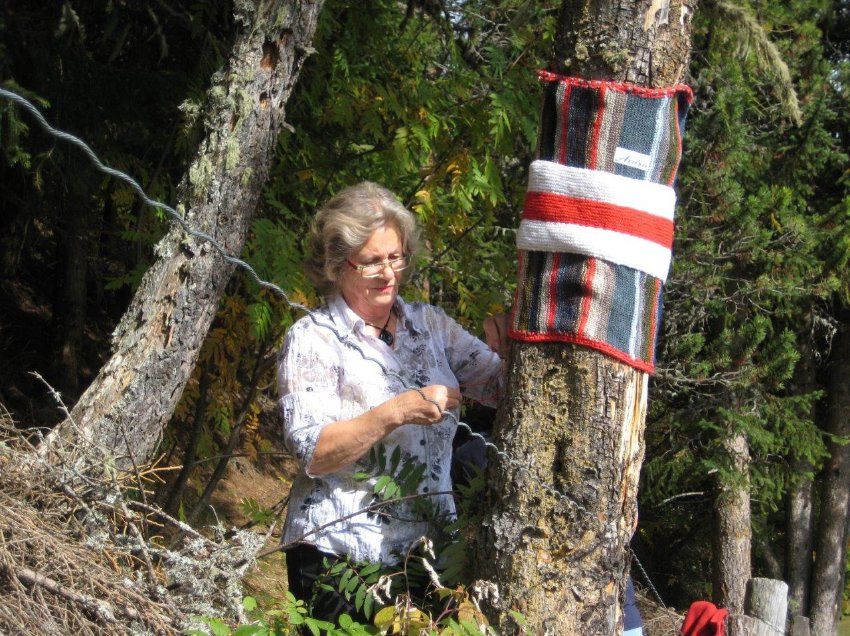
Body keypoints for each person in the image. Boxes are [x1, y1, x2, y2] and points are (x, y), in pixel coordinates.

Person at [277, 181, 508, 621]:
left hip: (429, 557)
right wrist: (398, 410)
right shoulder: (313, 340)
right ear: (336, 265)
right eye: (371, 262)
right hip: (340, 557)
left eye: (395, 257)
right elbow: (314, 451)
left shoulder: (431, 326)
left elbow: (498, 390)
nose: (388, 274)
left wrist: (514, 342)